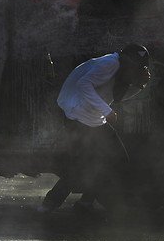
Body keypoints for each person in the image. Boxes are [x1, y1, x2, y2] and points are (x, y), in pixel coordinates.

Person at [39, 43, 151, 213]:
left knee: (113, 158)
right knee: (81, 165)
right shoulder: (110, 64)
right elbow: (84, 84)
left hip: (93, 117)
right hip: (77, 113)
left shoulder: (122, 71)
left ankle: (86, 203)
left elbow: (118, 97)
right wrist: (107, 111)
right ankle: (48, 205)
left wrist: (139, 85)